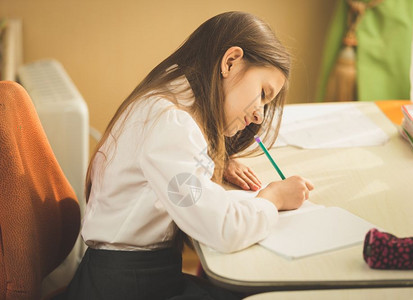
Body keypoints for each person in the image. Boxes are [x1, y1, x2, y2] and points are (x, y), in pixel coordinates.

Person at [65, 11, 314, 299]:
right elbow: (223, 228)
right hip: (125, 287)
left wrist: (216, 163)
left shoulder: (167, 102)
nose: (259, 114)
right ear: (230, 61)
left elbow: (176, 166)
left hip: (126, 276)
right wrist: (273, 198)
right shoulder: (171, 124)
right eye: (262, 93)